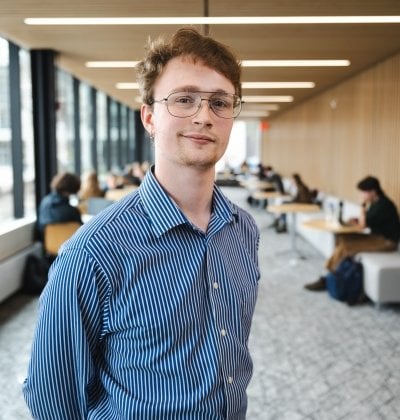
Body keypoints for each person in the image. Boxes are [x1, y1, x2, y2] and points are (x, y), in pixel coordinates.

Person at [23, 28, 260, 419]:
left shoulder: (243, 231)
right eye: (184, 99)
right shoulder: (94, 251)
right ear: (149, 117)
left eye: (220, 102)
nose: (204, 115)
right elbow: (52, 394)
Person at [305, 175, 400, 291]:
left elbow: (363, 226)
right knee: (341, 237)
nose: (362, 196)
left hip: (387, 242)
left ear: (373, 191)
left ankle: (327, 277)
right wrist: (355, 219)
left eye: (363, 192)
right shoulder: (376, 203)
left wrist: (362, 207)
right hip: (376, 237)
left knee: (346, 246)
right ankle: (338, 270)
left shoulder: (384, 205)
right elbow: (368, 221)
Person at [36, 172, 82, 239]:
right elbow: (82, 231)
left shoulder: (44, 202)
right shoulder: (72, 211)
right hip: (70, 247)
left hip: (48, 245)